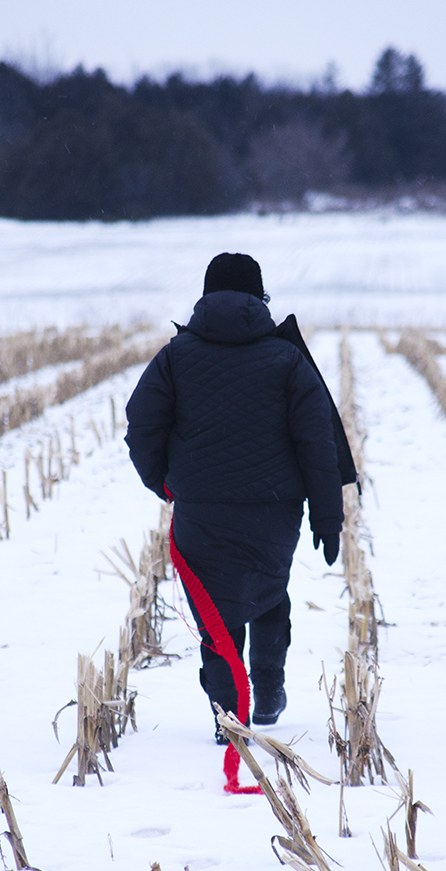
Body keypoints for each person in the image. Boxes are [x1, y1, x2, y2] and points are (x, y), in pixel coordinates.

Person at [125, 252, 355, 742]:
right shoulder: (287, 358)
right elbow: (317, 444)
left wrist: (163, 484)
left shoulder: (175, 356)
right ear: (260, 297)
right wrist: (327, 518)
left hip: (200, 513)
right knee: (268, 593)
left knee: (217, 612)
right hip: (274, 511)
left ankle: (229, 716)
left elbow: (141, 426)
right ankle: (268, 691)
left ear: (206, 296)